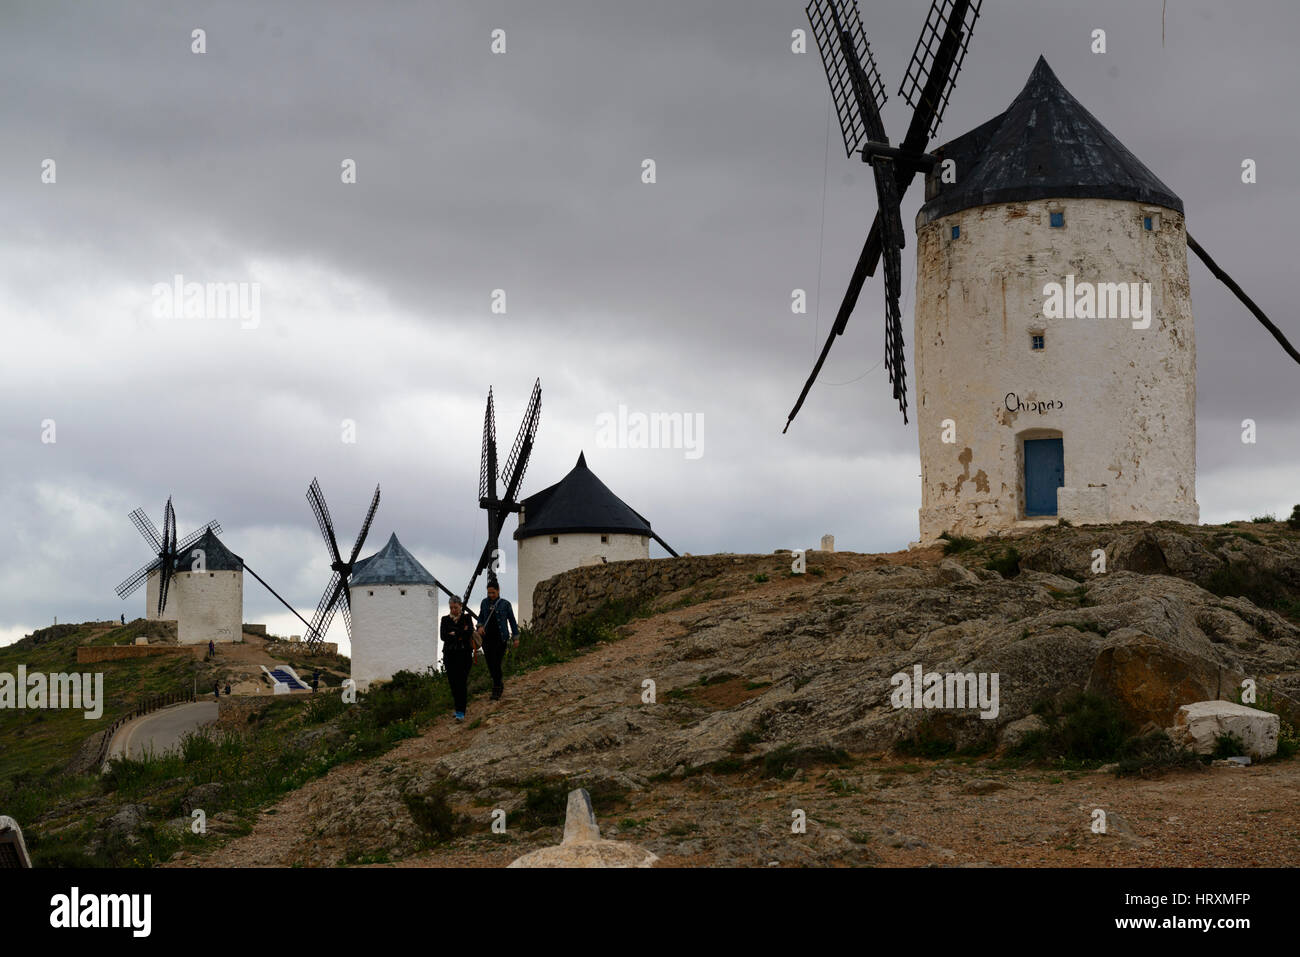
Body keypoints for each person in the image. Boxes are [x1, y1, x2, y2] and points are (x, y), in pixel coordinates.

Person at [475, 578, 519, 702]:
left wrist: (516, 637)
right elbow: (480, 617)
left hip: (501, 638)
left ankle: (497, 687)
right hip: (487, 639)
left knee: (496, 663)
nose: (491, 595)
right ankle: (498, 683)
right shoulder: (484, 603)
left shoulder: (505, 604)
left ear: (498, 591)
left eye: (493, 592)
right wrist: (479, 626)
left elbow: (512, 621)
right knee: (490, 663)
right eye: (489, 593)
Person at [441, 596, 477, 721]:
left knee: (461, 682)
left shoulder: (467, 618)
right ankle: (457, 708)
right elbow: (443, 636)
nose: (453, 610)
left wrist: (454, 633)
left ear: (460, 606)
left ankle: (461, 711)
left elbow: (469, 633)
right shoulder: (445, 619)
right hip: (450, 655)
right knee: (453, 683)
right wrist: (460, 632)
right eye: (451, 607)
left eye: (455, 607)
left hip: (464, 655)